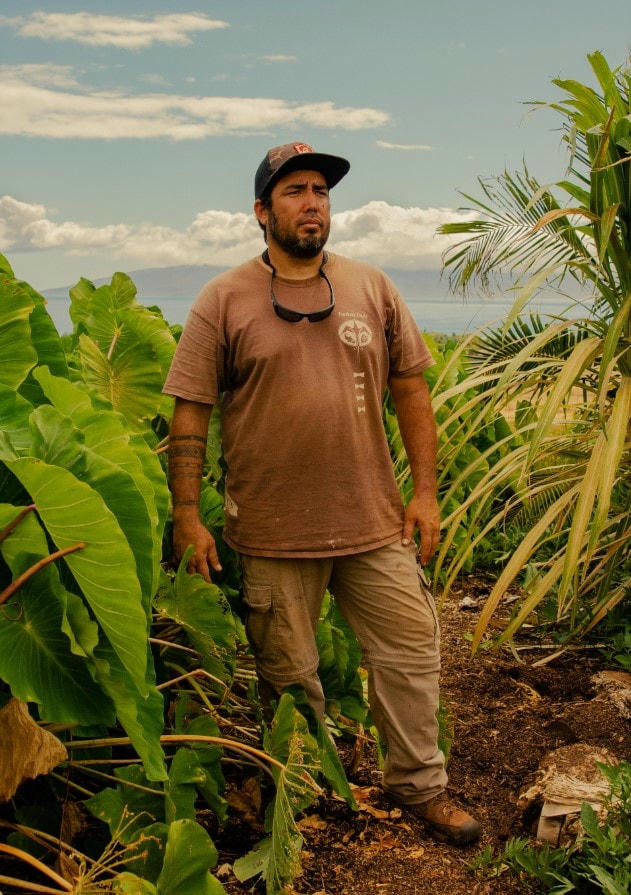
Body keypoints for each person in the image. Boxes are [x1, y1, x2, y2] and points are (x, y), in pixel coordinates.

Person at [163, 142, 480, 846]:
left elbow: (410, 388)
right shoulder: (223, 298)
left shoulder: (371, 285)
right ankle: (301, 797)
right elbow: (190, 409)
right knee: (289, 677)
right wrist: (187, 513)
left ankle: (418, 786)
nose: (312, 202)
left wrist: (423, 492)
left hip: (371, 522)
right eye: (294, 191)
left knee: (409, 651)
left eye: (321, 191)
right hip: (272, 531)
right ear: (260, 211)